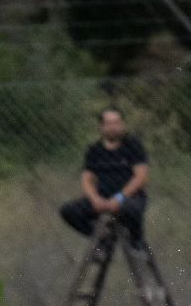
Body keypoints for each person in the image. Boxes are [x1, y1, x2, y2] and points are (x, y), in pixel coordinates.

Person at [59, 107, 149, 250]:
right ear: (101, 127)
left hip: (129, 198)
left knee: (131, 210)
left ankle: (136, 240)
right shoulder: (94, 150)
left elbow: (141, 177)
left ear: (122, 124)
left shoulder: (133, 145)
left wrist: (119, 198)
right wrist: (95, 198)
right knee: (68, 211)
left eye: (117, 123)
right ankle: (104, 240)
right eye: (109, 123)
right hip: (102, 199)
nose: (114, 127)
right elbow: (87, 179)